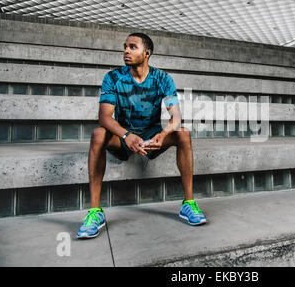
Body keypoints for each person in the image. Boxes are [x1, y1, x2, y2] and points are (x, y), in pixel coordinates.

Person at [77, 33, 207, 239]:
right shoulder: (113, 77)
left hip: (151, 133)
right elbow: (104, 117)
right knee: (98, 134)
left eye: (132, 47)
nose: (126, 51)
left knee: (183, 134)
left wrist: (163, 134)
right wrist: (126, 135)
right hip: (122, 134)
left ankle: (188, 204)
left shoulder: (163, 78)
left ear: (147, 53)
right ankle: (95, 212)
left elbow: (176, 117)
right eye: (125, 47)